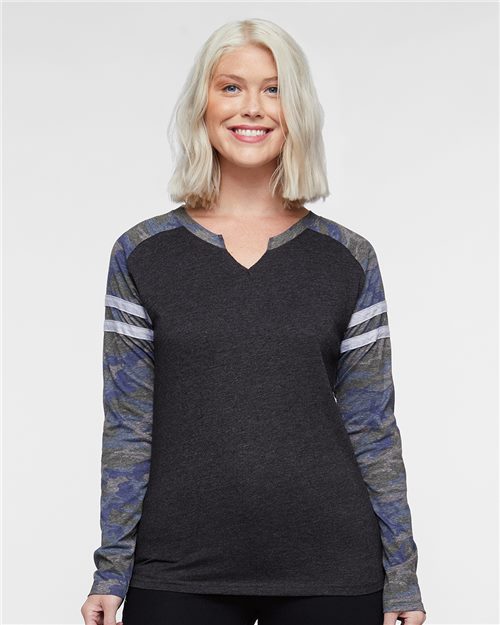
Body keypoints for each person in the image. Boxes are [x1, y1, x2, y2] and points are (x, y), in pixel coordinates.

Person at [81, 18, 427, 625]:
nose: (253, 107)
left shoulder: (347, 257)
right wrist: (112, 569)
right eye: (231, 87)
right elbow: (129, 425)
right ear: (203, 105)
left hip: (331, 568)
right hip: (178, 568)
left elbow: (372, 426)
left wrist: (401, 577)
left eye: (274, 89)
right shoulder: (142, 253)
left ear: (297, 111)